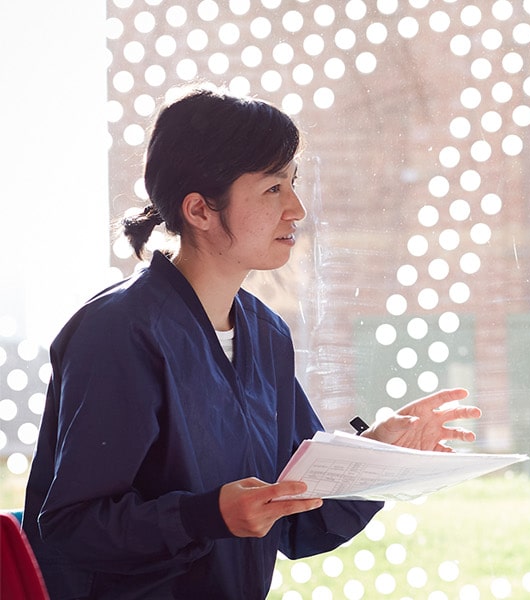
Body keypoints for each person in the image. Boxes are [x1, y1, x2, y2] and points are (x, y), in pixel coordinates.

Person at [22, 85, 483, 599]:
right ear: (199, 210)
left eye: (293, 183)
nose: (297, 209)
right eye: (272, 189)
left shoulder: (266, 335)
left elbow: (297, 519)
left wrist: (375, 455)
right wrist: (206, 515)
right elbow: (70, 528)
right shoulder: (119, 334)